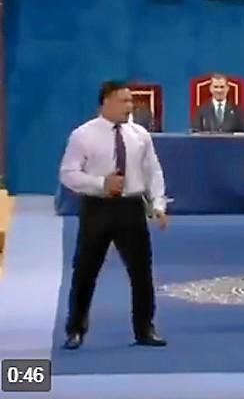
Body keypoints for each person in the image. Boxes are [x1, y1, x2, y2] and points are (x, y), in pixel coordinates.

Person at [59, 80, 168, 350]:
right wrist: (100, 184)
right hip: (98, 208)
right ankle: (75, 329)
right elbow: (68, 174)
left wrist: (158, 204)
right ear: (105, 102)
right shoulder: (83, 135)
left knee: (141, 272)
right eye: (123, 101)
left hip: (131, 208)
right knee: (85, 270)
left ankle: (144, 329)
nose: (129, 106)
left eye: (131, 101)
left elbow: (153, 170)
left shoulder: (140, 134)